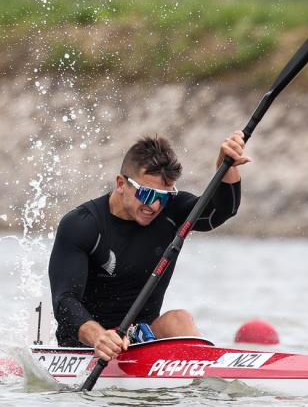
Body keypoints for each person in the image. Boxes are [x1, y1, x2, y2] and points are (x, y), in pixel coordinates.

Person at [48, 132, 250, 361]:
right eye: (146, 194)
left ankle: (210, 378)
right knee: (170, 321)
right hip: (86, 347)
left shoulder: (172, 211)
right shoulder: (82, 225)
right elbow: (65, 301)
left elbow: (220, 211)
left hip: (140, 340)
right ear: (121, 183)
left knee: (179, 320)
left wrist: (227, 165)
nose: (154, 206)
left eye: (163, 196)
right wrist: (99, 337)